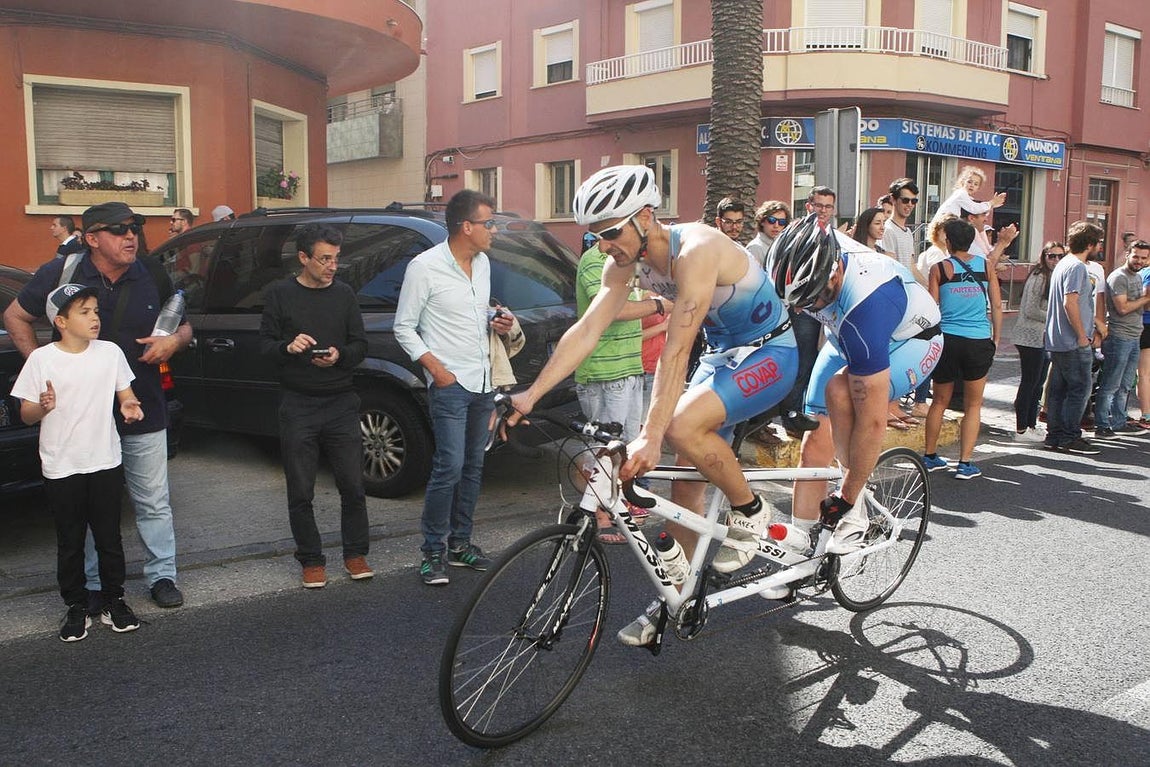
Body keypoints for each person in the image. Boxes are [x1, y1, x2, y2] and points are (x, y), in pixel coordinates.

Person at [507, 165, 799, 646]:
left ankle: (752, 509)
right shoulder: (622, 262)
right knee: (685, 492)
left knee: (680, 428)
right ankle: (675, 600)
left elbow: (676, 350)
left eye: (610, 232)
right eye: (594, 236)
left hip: (772, 352)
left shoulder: (698, 249)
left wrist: (651, 433)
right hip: (723, 359)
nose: (603, 245)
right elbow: (587, 329)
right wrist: (529, 395)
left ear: (645, 217)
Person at [4, 202, 190, 610]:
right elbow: (16, 316)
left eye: (135, 227)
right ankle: (91, 586)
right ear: (91, 238)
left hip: (141, 409)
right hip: (79, 420)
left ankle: (162, 576)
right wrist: (42, 364)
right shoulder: (61, 273)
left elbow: (183, 323)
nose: (131, 236)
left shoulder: (150, 272)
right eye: (119, 230)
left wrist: (173, 342)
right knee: (89, 505)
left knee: (153, 500)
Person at [768, 214, 942, 552]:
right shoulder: (796, 259)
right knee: (815, 438)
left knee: (841, 392)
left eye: (812, 299)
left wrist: (846, 497)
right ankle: (800, 544)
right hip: (843, 334)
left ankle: (855, 514)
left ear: (834, 272)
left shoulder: (868, 302)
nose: (804, 310)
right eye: (797, 302)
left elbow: (874, 421)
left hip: (913, 340)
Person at [394, 190, 515, 586]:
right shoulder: (424, 267)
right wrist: (437, 371)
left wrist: (496, 321)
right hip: (450, 386)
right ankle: (432, 551)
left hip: (482, 382)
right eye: (489, 223)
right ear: (467, 227)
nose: (494, 230)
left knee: (475, 466)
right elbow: (404, 327)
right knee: (449, 467)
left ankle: (461, 543)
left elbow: (477, 315)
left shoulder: (482, 265)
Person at [12, 284, 145, 641]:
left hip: (104, 459)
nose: (94, 318)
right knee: (70, 540)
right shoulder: (42, 359)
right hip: (61, 464)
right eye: (84, 312)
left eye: (96, 311)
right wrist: (43, 406)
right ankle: (76, 605)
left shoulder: (110, 352)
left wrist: (130, 406)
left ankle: (114, 600)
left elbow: (126, 393)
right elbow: (25, 414)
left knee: (109, 538)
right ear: (60, 321)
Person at [259, 223, 372, 588]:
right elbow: (264, 348)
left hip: (341, 400)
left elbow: (360, 346)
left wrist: (339, 356)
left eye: (336, 259)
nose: (332, 266)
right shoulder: (279, 294)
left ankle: (355, 554)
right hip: (298, 403)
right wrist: (287, 347)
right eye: (324, 259)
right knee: (300, 488)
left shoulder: (344, 294)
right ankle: (311, 558)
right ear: (303, 258)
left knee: (353, 485)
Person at [574, 236, 668, 544]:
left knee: (622, 449)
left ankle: (607, 511)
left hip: (628, 367)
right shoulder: (594, 262)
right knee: (604, 451)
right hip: (603, 371)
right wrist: (658, 305)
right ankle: (597, 520)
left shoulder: (626, 262)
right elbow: (613, 309)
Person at [920, 218, 1002, 479]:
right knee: (974, 404)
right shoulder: (985, 266)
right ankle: (965, 463)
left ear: (948, 241)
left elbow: (932, 307)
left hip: (948, 340)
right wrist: (996, 337)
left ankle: (930, 455)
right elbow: (997, 305)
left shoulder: (939, 268)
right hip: (978, 340)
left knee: (940, 401)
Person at [1043, 221, 1105, 455]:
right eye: (1097, 242)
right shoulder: (1077, 267)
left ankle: (1054, 435)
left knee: (1059, 390)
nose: (1099, 246)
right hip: (1072, 340)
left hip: (1058, 339)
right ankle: (1070, 436)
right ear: (1089, 244)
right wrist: (1082, 335)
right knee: (1079, 389)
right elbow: (1070, 302)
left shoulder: (1063, 264)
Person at [1093, 240, 1150, 437]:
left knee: (1125, 384)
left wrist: (1145, 299)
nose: (1139, 261)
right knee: (1110, 384)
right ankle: (1101, 424)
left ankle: (1118, 421)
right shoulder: (1119, 277)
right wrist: (1146, 298)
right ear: (1127, 254)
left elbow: (1142, 306)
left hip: (1135, 335)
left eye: (1144, 258)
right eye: (1136, 256)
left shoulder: (1136, 276)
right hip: (1119, 336)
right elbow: (1122, 308)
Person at [1011, 242, 1062, 442]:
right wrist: (1056, 314)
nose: (1056, 260)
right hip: (1029, 336)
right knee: (1029, 382)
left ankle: (1031, 425)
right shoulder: (1039, 276)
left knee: (1038, 383)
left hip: (1042, 337)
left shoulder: (1052, 276)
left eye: (1059, 256)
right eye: (1052, 256)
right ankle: (1021, 429)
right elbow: (1030, 310)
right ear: (1044, 256)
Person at [883, 178, 928, 285]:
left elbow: (911, 266)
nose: (910, 204)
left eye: (914, 201)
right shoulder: (887, 230)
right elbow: (890, 267)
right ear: (893, 199)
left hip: (908, 289)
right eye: (905, 200)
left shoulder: (907, 232)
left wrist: (929, 286)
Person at [931, 166, 1006, 223]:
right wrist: (992, 202)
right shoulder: (961, 193)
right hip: (941, 225)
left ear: (978, 188)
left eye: (976, 184)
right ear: (963, 182)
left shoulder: (968, 198)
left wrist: (992, 205)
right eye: (969, 182)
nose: (972, 185)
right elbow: (975, 209)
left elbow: (978, 212)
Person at [746, 200, 790, 268]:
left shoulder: (783, 246)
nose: (776, 225)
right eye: (771, 220)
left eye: (782, 222)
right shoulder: (755, 248)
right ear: (762, 221)